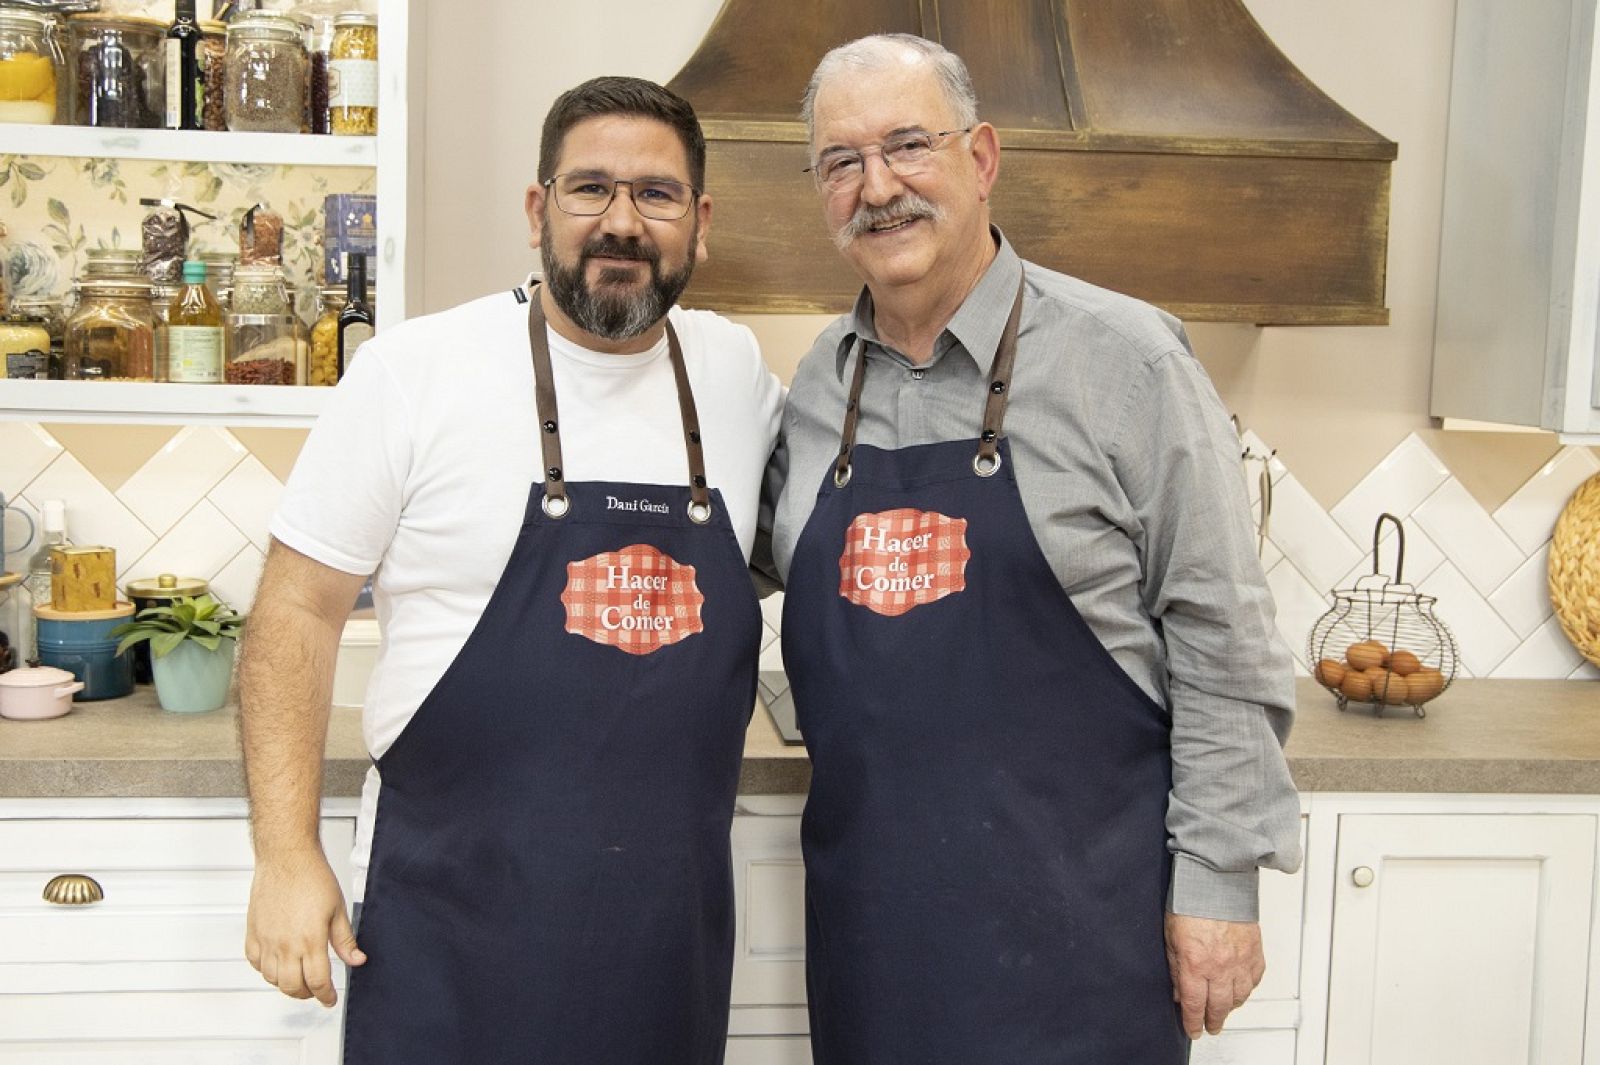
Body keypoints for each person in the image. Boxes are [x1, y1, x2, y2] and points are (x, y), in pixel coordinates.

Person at [767, 35, 1302, 1063]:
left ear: (981, 159)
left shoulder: (1128, 359)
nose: (877, 188)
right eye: (841, 162)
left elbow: (1222, 635)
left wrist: (1218, 883)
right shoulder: (822, 384)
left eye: (908, 146)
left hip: (1082, 931)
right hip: (874, 938)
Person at [239, 76, 783, 1064]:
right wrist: (284, 854)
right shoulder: (415, 373)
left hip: (665, 941)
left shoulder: (735, 376)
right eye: (590, 188)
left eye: (656, 194)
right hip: (451, 931)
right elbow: (296, 611)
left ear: (700, 224)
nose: (622, 222)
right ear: (539, 210)